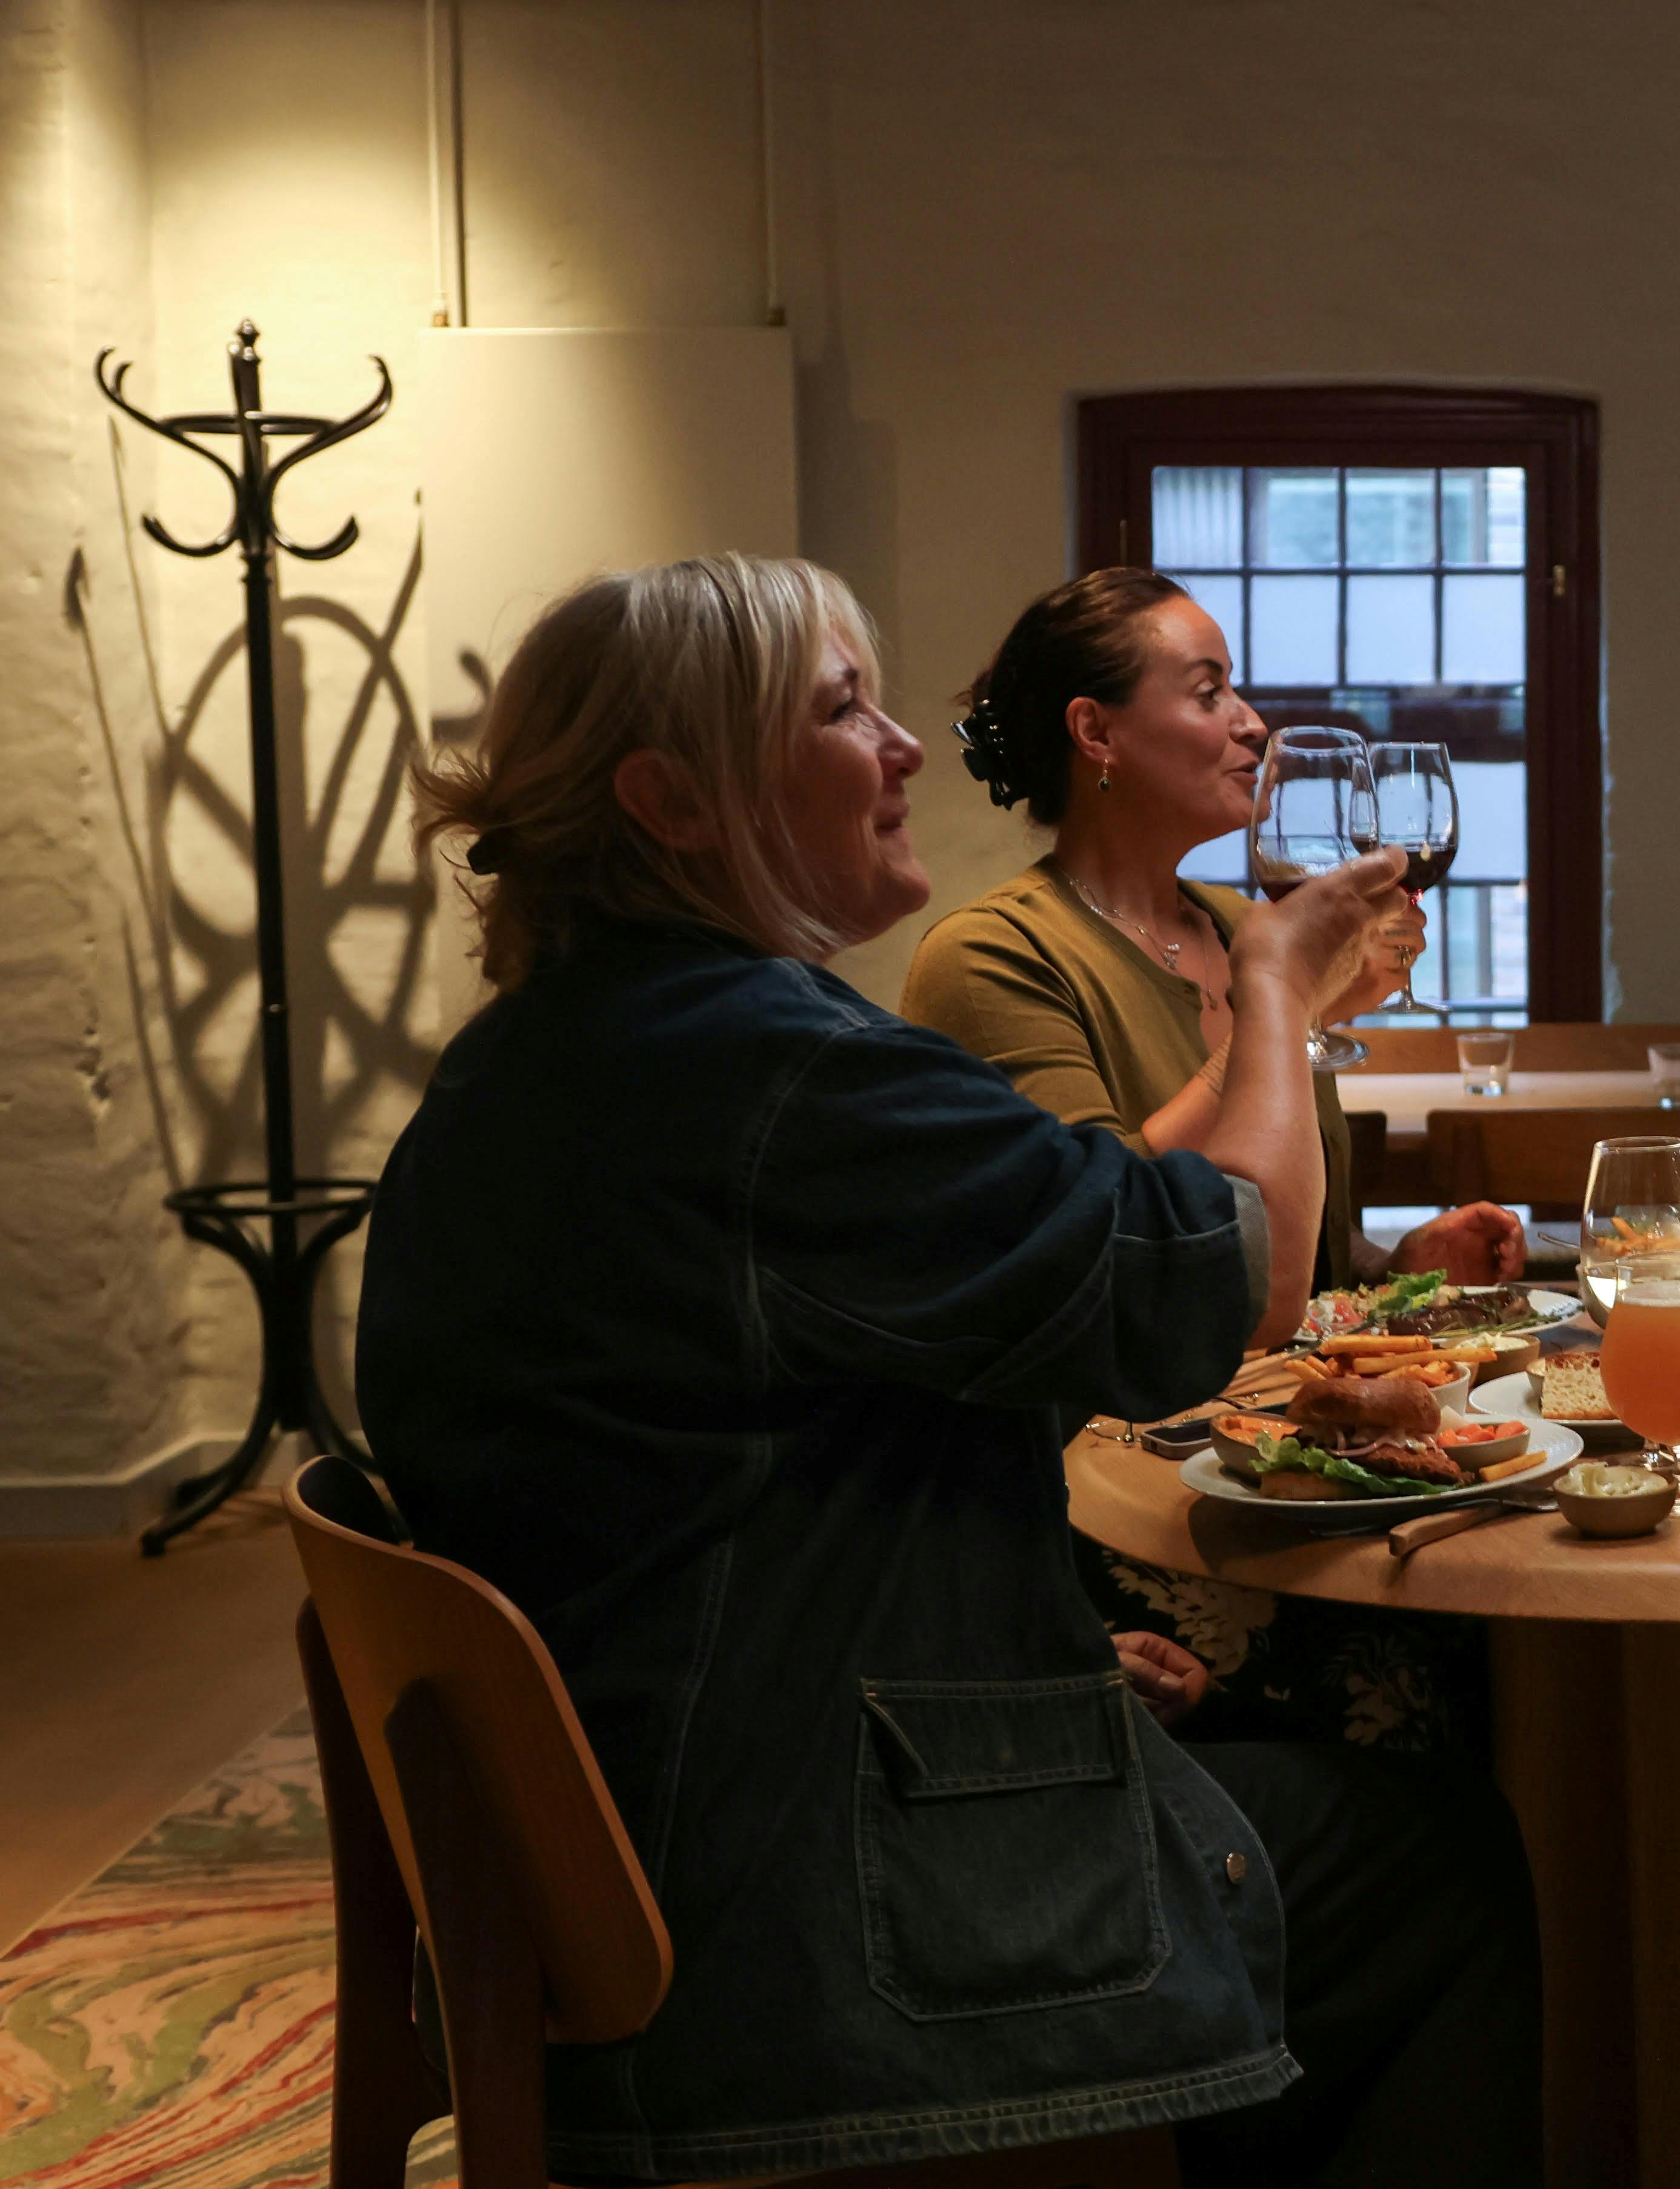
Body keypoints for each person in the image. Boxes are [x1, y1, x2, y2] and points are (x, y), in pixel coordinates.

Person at [357, 555, 1538, 2188]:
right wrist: (1272, 986)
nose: (909, 744)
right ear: (672, 800)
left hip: (649, 1836)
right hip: (791, 1921)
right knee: (1440, 1853)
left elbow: (728, 1469)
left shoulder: (527, 1058)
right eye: (843, 710)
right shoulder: (787, 1078)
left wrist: (1018, 1647)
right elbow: (1223, 1275)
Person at [904, 572, 1513, 1753]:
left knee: (1512, 1604)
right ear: (1096, 732)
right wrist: (1276, 1013)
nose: (1252, 723)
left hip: (1295, 1446)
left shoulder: (1245, 929)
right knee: (1444, 1665)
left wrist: (1397, 1270)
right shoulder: (993, 958)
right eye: (1209, 691)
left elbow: (1284, 1254)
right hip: (1124, 1480)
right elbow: (1109, 1234)